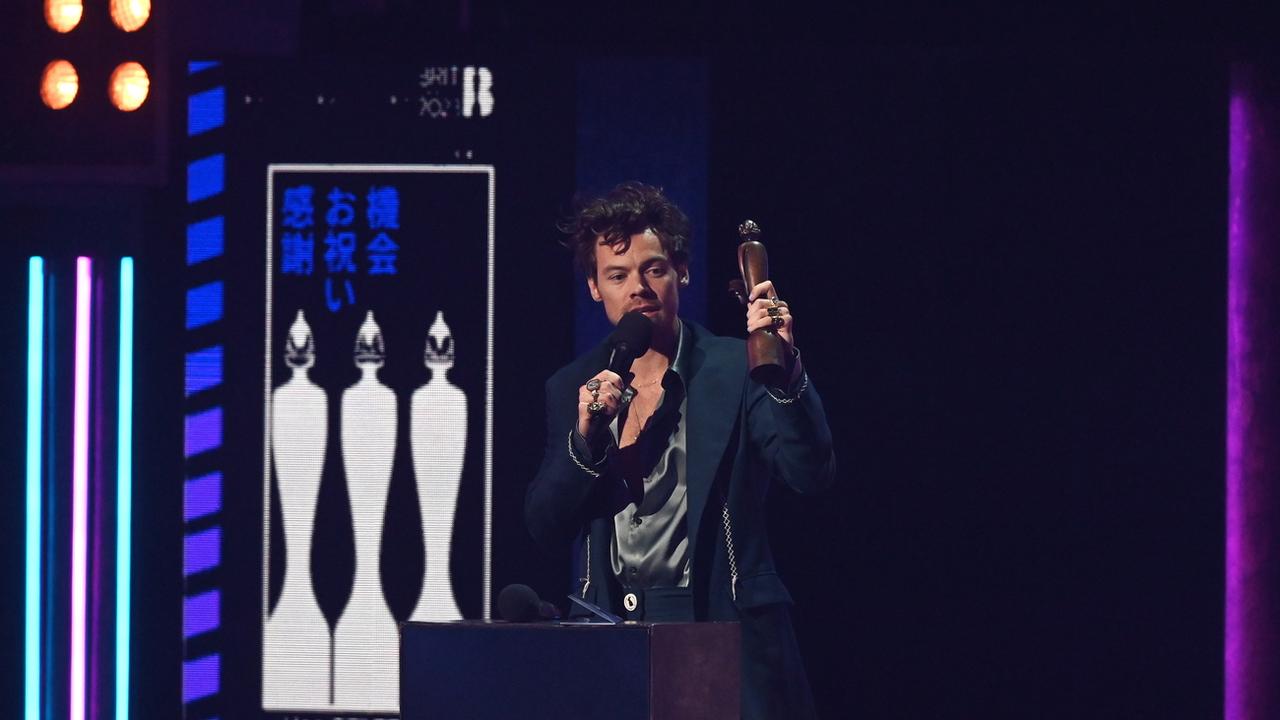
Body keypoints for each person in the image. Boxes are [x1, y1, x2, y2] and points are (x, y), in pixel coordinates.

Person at [524, 182, 836, 719]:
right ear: (595, 289)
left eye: (654, 269)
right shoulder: (572, 386)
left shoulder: (734, 367)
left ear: (681, 272)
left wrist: (785, 372)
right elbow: (544, 523)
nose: (637, 288)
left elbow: (809, 471)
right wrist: (587, 438)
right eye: (617, 276)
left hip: (723, 629)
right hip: (614, 640)